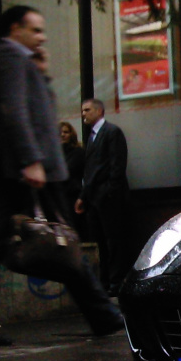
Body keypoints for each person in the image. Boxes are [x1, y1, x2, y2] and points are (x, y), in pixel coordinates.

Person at [0, 5, 122, 348]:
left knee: (7, 244)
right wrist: (31, 160)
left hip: (14, 167)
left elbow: (29, 106)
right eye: (35, 30)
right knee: (61, 238)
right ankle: (103, 314)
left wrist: (42, 74)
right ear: (15, 28)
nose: (42, 37)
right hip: (26, 168)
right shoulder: (10, 58)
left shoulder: (4, 58)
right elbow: (15, 110)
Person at [76, 97, 132, 295]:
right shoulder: (92, 137)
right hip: (95, 199)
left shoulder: (111, 132)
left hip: (108, 198)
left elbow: (117, 165)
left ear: (99, 111)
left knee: (114, 240)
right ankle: (107, 281)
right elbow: (90, 170)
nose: (83, 114)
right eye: (83, 110)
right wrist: (84, 196)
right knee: (101, 241)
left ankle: (116, 282)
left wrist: (109, 192)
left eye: (87, 110)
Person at [59, 120, 86, 235]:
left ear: (71, 135)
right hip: (59, 197)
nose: (62, 135)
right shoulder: (57, 154)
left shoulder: (78, 152)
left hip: (72, 197)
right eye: (60, 132)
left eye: (66, 132)